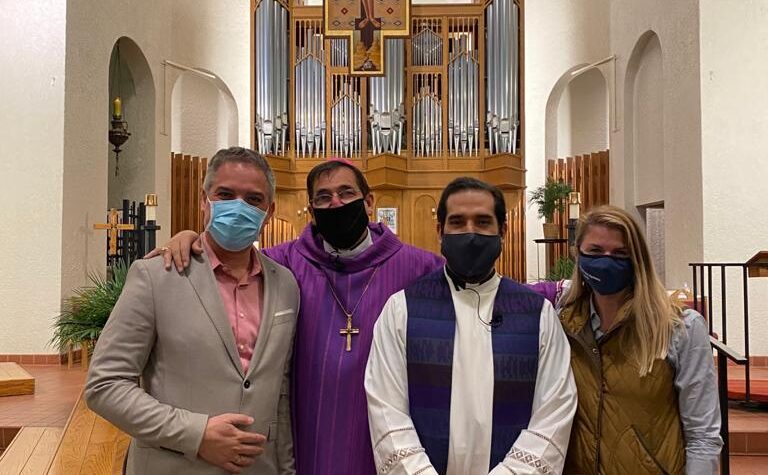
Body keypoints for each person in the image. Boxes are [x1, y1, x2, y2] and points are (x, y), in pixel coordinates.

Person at [151, 159, 444, 474]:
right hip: (305, 427)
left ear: (369, 202)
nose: (336, 204)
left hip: (384, 430)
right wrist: (189, 238)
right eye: (323, 197)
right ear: (312, 209)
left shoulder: (422, 268)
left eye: (346, 193)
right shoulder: (281, 263)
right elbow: (226, 262)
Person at [86, 147, 299, 475]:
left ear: (269, 212)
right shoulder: (157, 276)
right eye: (225, 195)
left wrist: (286, 469)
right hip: (174, 465)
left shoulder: (285, 284)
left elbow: (280, 393)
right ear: (204, 201)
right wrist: (195, 434)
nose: (238, 207)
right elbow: (105, 385)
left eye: (253, 199)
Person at [364, 177, 577, 475]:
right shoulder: (402, 309)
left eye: (482, 222)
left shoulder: (537, 313)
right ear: (440, 231)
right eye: (457, 222)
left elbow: (553, 413)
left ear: (503, 231)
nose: (470, 233)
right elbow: (387, 412)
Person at [553, 205, 722, 474]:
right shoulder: (563, 324)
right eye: (595, 251)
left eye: (620, 253)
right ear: (578, 254)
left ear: (637, 259)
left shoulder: (680, 328)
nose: (606, 262)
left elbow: (703, 436)